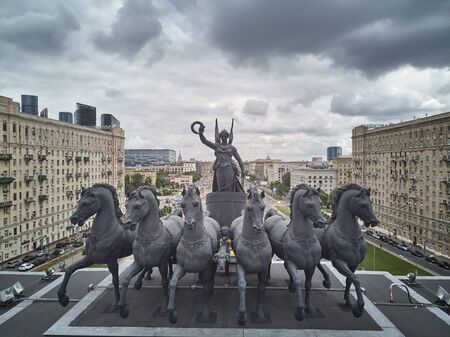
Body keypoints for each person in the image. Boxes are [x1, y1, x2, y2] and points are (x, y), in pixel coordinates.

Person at [193, 119, 245, 192]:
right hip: (219, 167)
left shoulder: (232, 148)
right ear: (220, 137)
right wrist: (201, 133)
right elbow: (205, 141)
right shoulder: (216, 146)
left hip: (229, 168)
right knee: (220, 187)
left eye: (225, 136)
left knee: (229, 186)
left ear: (227, 137)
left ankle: (230, 201)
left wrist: (243, 170)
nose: (223, 138)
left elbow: (239, 160)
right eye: (222, 136)